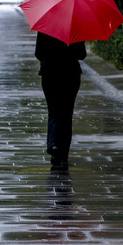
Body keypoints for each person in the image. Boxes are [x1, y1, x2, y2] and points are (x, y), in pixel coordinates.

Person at [35, 32, 86, 166]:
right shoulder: (76, 28)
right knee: (66, 113)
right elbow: (82, 54)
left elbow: (38, 53)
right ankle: (63, 153)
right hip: (70, 73)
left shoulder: (46, 28)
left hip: (49, 72)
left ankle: (54, 145)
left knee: (54, 111)